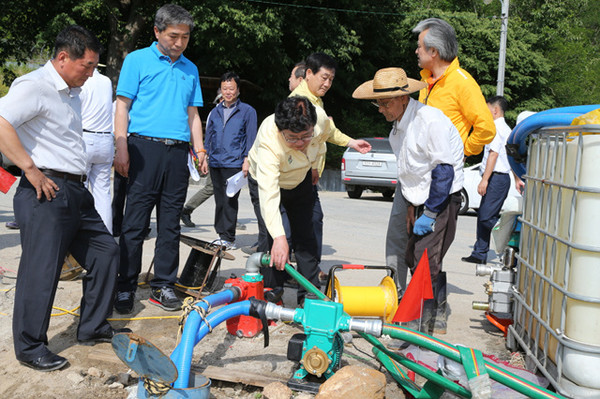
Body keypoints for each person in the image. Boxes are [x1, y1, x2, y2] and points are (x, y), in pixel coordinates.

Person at [0, 25, 129, 372]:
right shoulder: (34, 86)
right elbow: (0, 122)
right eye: (86, 66)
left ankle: (92, 326)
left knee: (106, 251)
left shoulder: (71, 91)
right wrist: (29, 168)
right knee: (41, 271)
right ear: (62, 58)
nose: (90, 74)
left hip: (75, 191)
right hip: (45, 190)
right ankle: (30, 347)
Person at [353, 67, 464, 335]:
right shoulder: (397, 131)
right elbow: (410, 174)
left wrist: (431, 212)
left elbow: (444, 170)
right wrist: (411, 208)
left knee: (425, 259)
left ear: (404, 97)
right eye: (378, 103)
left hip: (441, 195)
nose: (381, 108)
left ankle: (418, 327)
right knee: (413, 256)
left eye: (386, 102)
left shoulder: (429, 121)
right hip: (417, 196)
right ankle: (434, 315)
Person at [113, 4, 205, 314]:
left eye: (185, 37)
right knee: (134, 222)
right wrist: (121, 146)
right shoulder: (137, 60)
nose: (179, 43)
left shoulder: (190, 69)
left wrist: (200, 149)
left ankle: (163, 285)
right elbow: (122, 106)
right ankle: (125, 285)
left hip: (177, 152)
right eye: (173, 36)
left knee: (170, 223)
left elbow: (193, 114)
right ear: (157, 31)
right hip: (142, 149)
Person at [289, 52, 372, 279]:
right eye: (324, 77)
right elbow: (300, 143)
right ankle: (278, 284)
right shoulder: (299, 103)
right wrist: (313, 166)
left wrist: (352, 142)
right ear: (308, 74)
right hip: (292, 177)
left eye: (331, 79)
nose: (327, 84)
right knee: (293, 230)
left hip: (307, 175)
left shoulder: (316, 101)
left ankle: (308, 279)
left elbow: (327, 130)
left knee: (312, 223)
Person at [412, 17, 496, 156]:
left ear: (433, 51)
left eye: (419, 46)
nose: (416, 51)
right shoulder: (426, 80)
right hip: (424, 165)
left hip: (446, 169)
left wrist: (463, 152)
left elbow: (486, 128)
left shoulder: (462, 82)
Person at [202, 72, 257, 250]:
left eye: (231, 88)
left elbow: (251, 138)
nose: (228, 92)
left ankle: (229, 237)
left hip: (234, 163)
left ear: (238, 90)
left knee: (229, 200)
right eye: (224, 88)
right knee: (219, 200)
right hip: (216, 161)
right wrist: (205, 155)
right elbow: (209, 135)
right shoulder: (215, 111)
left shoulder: (247, 111)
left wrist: (247, 159)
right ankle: (221, 235)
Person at [462, 96, 512, 265]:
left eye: (487, 109)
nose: (484, 113)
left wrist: (484, 180)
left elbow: (494, 154)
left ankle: (512, 237)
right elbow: (510, 158)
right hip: (499, 178)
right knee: (483, 215)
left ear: (495, 111)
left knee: (485, 217)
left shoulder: (496, 129)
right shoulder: (507, 129)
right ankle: (480, 252)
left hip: (496, 178)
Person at [81, 68, 114, 233]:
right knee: (103, 192)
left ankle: (79, 232)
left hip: (85, 136)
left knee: (80, 189)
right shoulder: (106, 81)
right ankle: (105, 233)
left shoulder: (82, 81)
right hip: (106, 138)